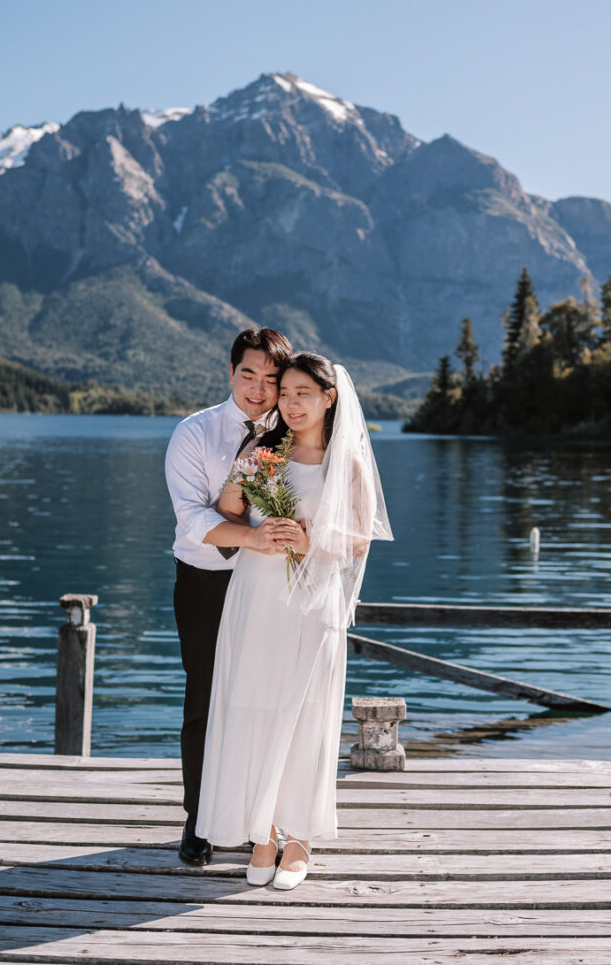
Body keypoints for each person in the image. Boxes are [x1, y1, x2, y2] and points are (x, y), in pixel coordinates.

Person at [196, 353, 392, 889]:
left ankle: (300, 838)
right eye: (285, 393)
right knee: (252, 705)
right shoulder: (266, 450)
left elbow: (359, 540)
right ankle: (264, 834)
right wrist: (246, 472)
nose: (291, 402)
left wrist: (310, 542)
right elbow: (230, 509)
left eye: (303, 392)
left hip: (313, 602)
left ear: (329, 398)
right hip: (256, 595)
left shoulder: (345, 461)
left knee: (305, 713)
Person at [165, 326, 293, 867]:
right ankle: (199, 818)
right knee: (205, 699)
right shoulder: (194, 433)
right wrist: (250, 537)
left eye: (271, 379)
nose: (259, 389)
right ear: (231, 372)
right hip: (206, 582)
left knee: (264, 698)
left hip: (269, 585)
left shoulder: (296, 435)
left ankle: (259, 817)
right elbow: (192, 518)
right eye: (249, 374)